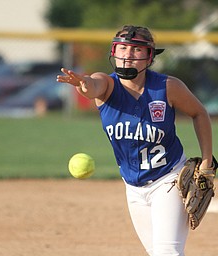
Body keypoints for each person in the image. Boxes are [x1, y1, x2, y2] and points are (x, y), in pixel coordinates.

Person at [56, 25, 214, 255]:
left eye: (136, 50)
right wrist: (85, 85)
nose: (128, 55)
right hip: (133, 188)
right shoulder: (107, 86)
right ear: (114, 52)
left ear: (149, 56)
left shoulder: (167, 87)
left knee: (167, 252)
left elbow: (199, 113)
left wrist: (208, 161)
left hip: (168, 180)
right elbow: (92, 85)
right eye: (122, 48)